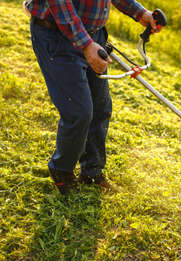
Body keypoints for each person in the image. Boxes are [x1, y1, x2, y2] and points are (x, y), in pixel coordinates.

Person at [24, 0, 161, 195]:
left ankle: (91, 172)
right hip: (57, 35)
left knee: (100, 107)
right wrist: (86, 45)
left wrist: (141, 13)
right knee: (79, 112)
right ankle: (61, 170)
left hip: (92, 34)